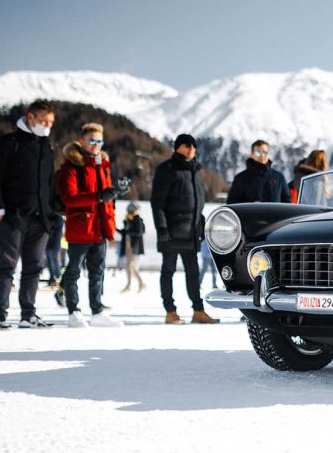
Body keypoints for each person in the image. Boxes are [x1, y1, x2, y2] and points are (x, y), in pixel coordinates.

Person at [0, 100, 57, 329]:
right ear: (31, 117)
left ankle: (28, 314)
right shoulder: (8, 142)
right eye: (44, 121)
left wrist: (52, 212)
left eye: (50, 123)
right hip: (12, 216)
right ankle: (0, 315)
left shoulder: (46, 147)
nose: (47, 126)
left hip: (40, 219)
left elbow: (50, 183)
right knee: (6, 267)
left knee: (34, 267)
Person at [57, 123, 121, 328]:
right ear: (82, 141)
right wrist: (99, 196)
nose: (96, 145)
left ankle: (97, 311)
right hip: (81, 227)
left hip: (100, 228)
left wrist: (114, 192)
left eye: (99, 141)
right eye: (92, 140)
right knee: (74, 271)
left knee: (97, 272)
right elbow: (69, 198)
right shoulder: (71, 166)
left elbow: (105, 198)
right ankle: (73, 312)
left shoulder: (102, 165)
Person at [151, 134, 219, 324]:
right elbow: (157, 203)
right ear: (177, 147)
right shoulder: (167, 169)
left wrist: (202, 223)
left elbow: (197, 204)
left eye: (194, 146)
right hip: (171, 231)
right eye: (186, 145)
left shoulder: (194, 171)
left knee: (193, 272)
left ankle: (198, 311)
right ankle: (170, 312)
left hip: (191, 232)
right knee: (168, 271)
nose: (191, 149)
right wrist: (162, 228)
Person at [227, 139, 289, 204]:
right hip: (249, 214)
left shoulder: (279, 177)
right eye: (258, 152)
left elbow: (287, 202)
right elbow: (231, 202)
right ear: (252, 155)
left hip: (275, 214)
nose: (262, 155)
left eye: (265, 152)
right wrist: (250, 205)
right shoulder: (240, 178)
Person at [119, 203, 146, 293]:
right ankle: (131, 284)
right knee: (128, 266)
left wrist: (128, 232)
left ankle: (138, 283)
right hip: (128, 246)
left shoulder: (137, 220)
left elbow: (139, 232)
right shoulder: (128, 221)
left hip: (134, 247)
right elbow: (125, 232)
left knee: (131, 266)